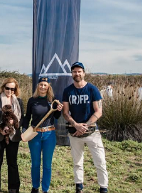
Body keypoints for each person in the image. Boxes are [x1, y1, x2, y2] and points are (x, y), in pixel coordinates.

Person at [62, 62, 108, 193]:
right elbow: (65, 112)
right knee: (77, 162)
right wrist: (76, 125)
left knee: (100, 162)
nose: (77, 74)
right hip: (75, 133)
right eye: (74, 71)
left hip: (92, 132)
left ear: (84, 73)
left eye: (79, 71)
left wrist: (85, 126)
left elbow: (98, 111)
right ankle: (79, 186)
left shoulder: (92, 89)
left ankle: (103, 187)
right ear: (72, 74)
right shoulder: (68, 91)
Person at [22, 77, 63, 193]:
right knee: (35, 163)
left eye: (45, 85)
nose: (43, 87)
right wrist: (24, 130)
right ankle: (35, 187)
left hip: (49, 134)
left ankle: (45, 189)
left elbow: (57, 117)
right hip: (35, 134)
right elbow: (27, 117)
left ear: (48, 86)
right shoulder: (32, 100)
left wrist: (58, 110)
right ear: (38, 86)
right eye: (41, 84)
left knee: (47, 164)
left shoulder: (53, 100)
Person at [0, 78, 24, 193]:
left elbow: (22, 118)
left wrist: (15, 124)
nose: (10, 91)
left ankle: (13, 189)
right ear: (3, 88)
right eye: (7, 88)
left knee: (12, 163)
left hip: (13, 136)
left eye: (12, 89)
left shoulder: (19, 101)